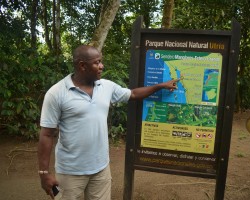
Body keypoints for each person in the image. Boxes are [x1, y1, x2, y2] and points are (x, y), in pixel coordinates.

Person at [37, 45, 179, 200]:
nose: (101, 66)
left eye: (101, 61)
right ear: (82, 66)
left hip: (101, 169)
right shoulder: (57, 93)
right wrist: (44, 173)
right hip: (70, 172)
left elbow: (132, 94)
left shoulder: (106, 86)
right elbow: (46, 134)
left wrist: (161, 86)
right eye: (97, 62)